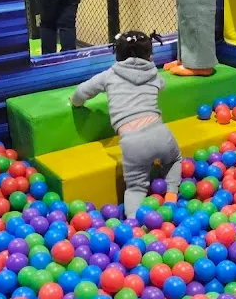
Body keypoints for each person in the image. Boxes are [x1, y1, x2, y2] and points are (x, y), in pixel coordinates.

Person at [71, 30, 182, 218]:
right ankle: (171, 196)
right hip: (160, 133)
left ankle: (133, 223)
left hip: (132, 142)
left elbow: (82, 92)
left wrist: (75, 102)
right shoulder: (154, 74)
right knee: (173, 160)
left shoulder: (109, 75)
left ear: (117, 54)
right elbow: (162, 85)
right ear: (150, 55)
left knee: (136, 188)